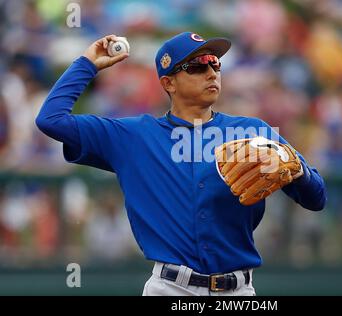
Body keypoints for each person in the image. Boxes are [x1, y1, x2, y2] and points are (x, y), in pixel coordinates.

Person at [35, 32, 326, 296]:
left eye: (215, 64)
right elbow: (51, 120)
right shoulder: (133, 136)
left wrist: (298, 170)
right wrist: (87, 63)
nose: (211, 72)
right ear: (168, 82)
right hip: (170, 288)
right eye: (197, 66)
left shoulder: (252, 132)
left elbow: (317, 199)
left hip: (238, 292)